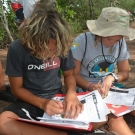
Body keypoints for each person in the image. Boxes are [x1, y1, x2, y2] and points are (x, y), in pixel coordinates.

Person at [0, 2, 108, 135]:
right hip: (29, 102)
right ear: (31, 40)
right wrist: (43, 103)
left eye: (54, 50)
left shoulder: (62, 44)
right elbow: (17, 89)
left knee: (103, 117)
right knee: (3, 123)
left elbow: (69, 75)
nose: (51, 55)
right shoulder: (17, 49)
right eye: (44, 50)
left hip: (58, 100)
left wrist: (71, 94)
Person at [71, 7, 135, 135]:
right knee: (116, 116)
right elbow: (73, 74)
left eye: (117, 40)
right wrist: (90, 86)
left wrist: (112, 77)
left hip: (113, 88)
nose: (113, 43)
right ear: (99, 32)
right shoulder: (81, 41)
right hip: (86, 88)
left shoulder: (120, 42)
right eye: (109, 39)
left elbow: (124, 72)